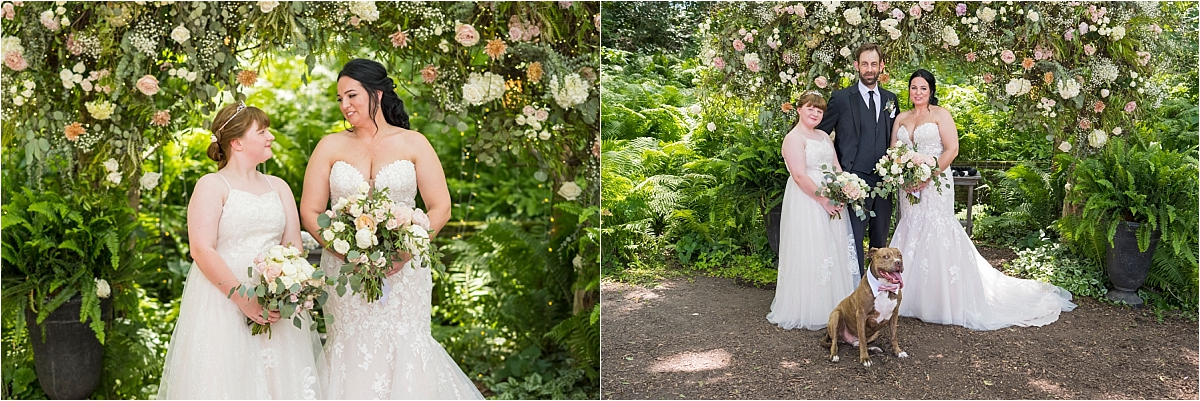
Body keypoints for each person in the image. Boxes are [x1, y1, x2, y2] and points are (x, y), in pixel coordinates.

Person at [299, 58, 484, 399]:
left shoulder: (414, 144)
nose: (345, 105)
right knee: (351, 346)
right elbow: (310, 210)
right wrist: (343, 252)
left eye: (352, 95)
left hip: (406, 271)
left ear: (377, 94)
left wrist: (406, 250)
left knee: (405, 343)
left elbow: (440, 207)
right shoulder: (329, 146)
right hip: (345, 271)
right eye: (340, 98)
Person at [888, 69, 1076, 331]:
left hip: (936, 182)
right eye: (913, 87)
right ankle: (907, 294)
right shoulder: (901, 118)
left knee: (936, 228)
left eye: (923, 88)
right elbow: (893, 153)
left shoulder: (941, 115)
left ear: (931, 90)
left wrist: (928, 175)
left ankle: (943, 299)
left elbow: (952, 149)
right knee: (912, 226)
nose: (917, 92)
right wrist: (903, 175)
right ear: (908, 90)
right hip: (909, 187)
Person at [159, 102, 323, 399]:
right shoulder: (212, 185)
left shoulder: (279, 187)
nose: (270, 137)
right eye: (262, 132)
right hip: (222, 302)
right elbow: (201, 248)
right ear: (237, 143)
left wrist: (283, 292)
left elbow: (293, 247)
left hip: (275, 305)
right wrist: (243, 298)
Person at [766, 92, 861, 331]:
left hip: (831, 195)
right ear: (799, 109)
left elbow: (836, 167)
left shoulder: (823, 136)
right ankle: (811, 307)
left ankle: (838, 306)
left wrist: (845, 188)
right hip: (808, 199)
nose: (815, 113)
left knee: (833, 248)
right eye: (810, 108)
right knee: (813, 247)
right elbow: (799, 176)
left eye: (819, 110)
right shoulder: (793, 138)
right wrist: (825, 201)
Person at [815, 43, 899, 276]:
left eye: (874, 64)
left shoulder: (891, 99)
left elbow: (895, 136)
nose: (869, 69)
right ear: (856, 66)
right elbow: (820, 134)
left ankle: (878, 289)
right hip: (853, 181)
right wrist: (835, 173)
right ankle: (852, 288)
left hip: (884, 182)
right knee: (853, 238)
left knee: (880, 240)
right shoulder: (841, 99)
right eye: (864, 64)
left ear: (881, 66)